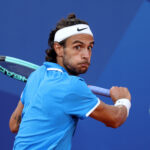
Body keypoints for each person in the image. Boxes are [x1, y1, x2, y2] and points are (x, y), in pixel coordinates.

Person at [9, 14, 131, 150]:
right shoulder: (72, 86)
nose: (86, 55)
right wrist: (123, 100)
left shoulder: (36, 76)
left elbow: (14, 125)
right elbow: (115, 119)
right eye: (78, 47)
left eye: (89, 47)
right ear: (59, 48)